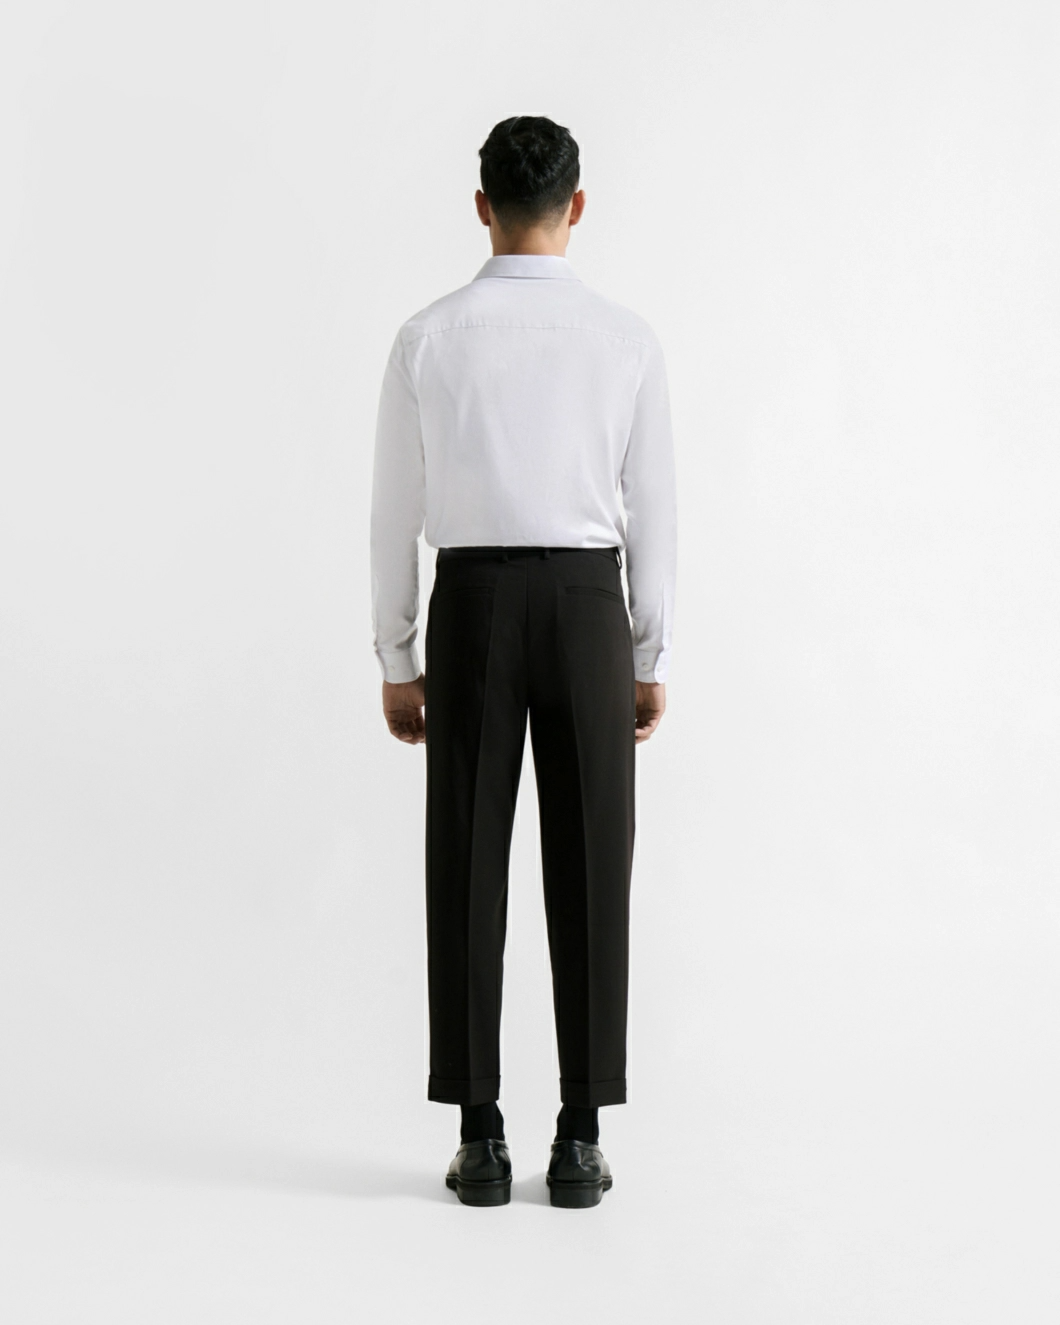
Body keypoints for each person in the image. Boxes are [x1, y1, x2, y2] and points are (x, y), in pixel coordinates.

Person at [369, 115, 676, 1208]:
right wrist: (649, 650)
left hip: (473, 603)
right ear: (576, 206)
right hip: (590, 605)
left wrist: (397, 653)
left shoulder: (428, 337)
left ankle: (480, 1134)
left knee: (464, 857)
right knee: (592, 859)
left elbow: (394, 508)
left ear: (481, 206)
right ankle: (580, 1137)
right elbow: (654, 509)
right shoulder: (625, 339)